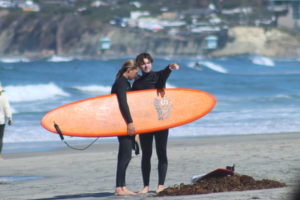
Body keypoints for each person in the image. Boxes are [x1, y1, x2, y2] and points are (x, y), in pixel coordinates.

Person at [132, 53, 179, 193]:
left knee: (161, 152)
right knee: (146, 154)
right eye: (143, 64)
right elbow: (134, 105)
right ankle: (146, 186)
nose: (146, 65)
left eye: (148, 63)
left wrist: (170, 68)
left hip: (161, 120)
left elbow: (163, 75)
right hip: (146, 122)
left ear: (151, 63)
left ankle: (160, 185)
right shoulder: (137, 83)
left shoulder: (157, 76)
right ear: (139, 66)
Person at [111, 59, 140, 196]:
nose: (136, 75)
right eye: (135, 72)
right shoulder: (122, 83)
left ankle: (122, 187)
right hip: (122, 123)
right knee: (125, 156)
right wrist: (129, 122)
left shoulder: (122, 82)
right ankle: (119, 188)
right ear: (129, 70)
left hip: (121, 122)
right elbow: (123, 103)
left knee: (124, 155)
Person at [0, 85, 13, 160]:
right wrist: (10, 118)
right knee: (0, 138)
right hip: (1, 121)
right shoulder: (4, 98)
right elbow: (6, 108)